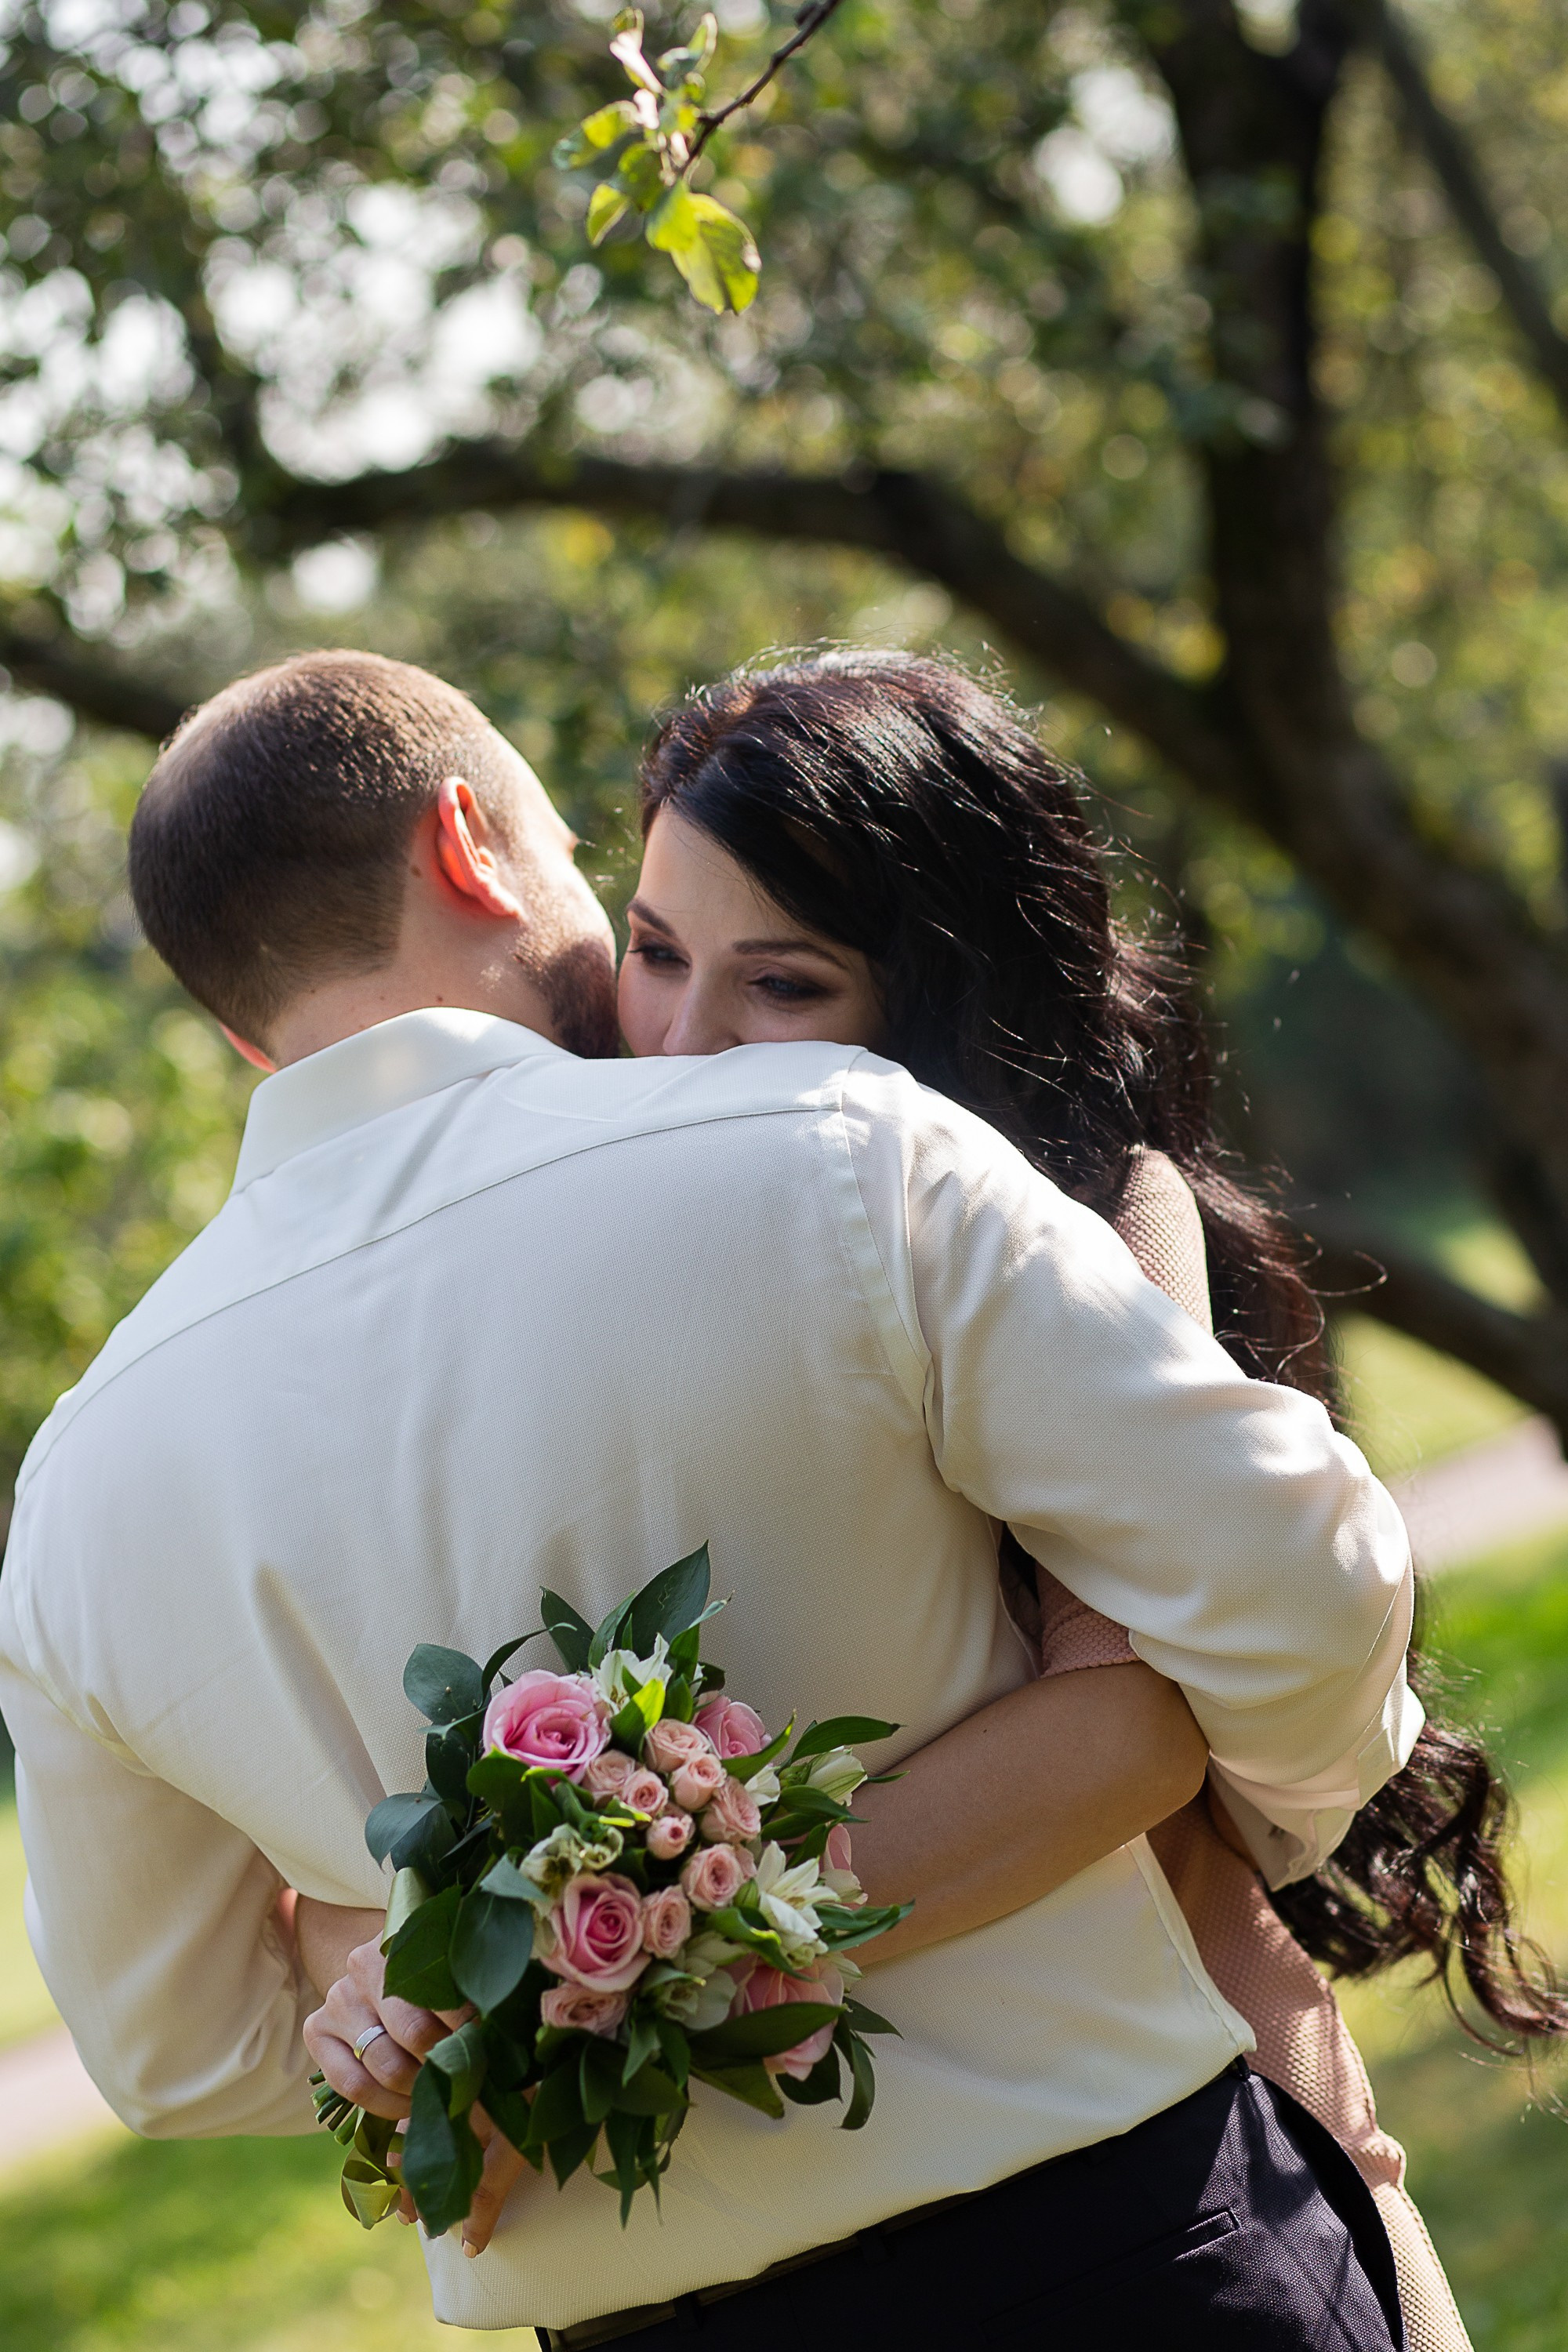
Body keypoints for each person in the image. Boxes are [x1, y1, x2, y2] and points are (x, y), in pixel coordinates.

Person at [1, 649, 1418, 2347]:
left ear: (239, 1030)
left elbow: (175, 2050)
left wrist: (432, 1957)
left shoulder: (79, 1485)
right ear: (472, 840)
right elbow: (1302, 1579)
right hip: (1128, 2248)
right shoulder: (842, 1145)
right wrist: (1249, 1806)